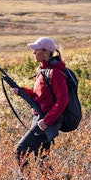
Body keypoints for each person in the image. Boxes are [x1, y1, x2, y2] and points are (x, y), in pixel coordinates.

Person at [13, 36, 70, 171]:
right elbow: (38, 96)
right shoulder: (41, 70)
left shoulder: (55, 73)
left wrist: (47, 121)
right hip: (40, 120)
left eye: (36, 50)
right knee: (42, 161)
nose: (33, 53)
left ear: (46, 52)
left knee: (20, 151)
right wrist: (22, 91)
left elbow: (63, 100)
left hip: (46, 123)